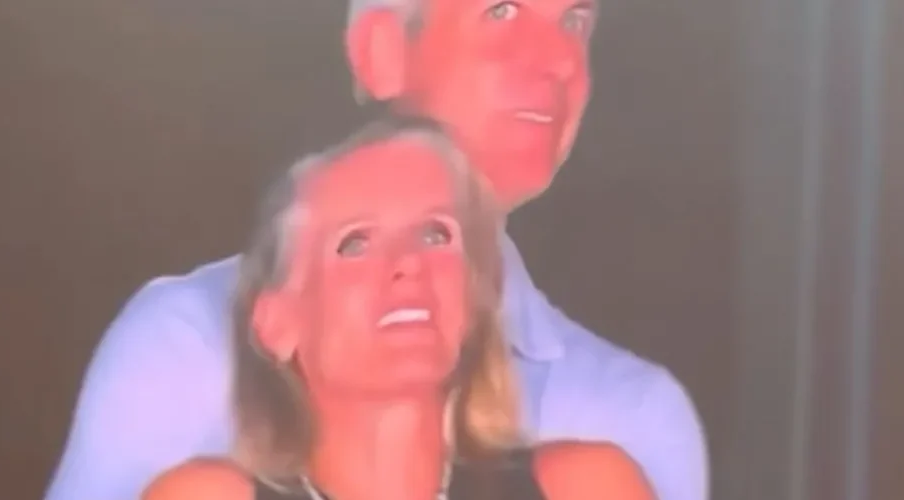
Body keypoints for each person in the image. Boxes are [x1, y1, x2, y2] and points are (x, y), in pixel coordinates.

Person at [45, 0, 708, 498]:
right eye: (502, 10)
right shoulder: (181, 347)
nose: (561, 60)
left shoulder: (610, 447)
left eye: (436, 235)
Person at [141, 115, 655, 500]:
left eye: (435, 234)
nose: (409, 262)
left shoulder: (585, 488)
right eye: (355, 243)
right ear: (276, 323)